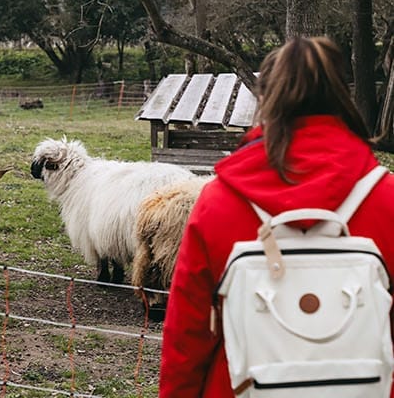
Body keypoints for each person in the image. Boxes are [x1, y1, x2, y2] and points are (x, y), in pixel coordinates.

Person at [159, 36, 394, 397]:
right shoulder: (386, 198)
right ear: (340, 96)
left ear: (265, 98)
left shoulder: (217, 202)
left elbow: (186, 339)